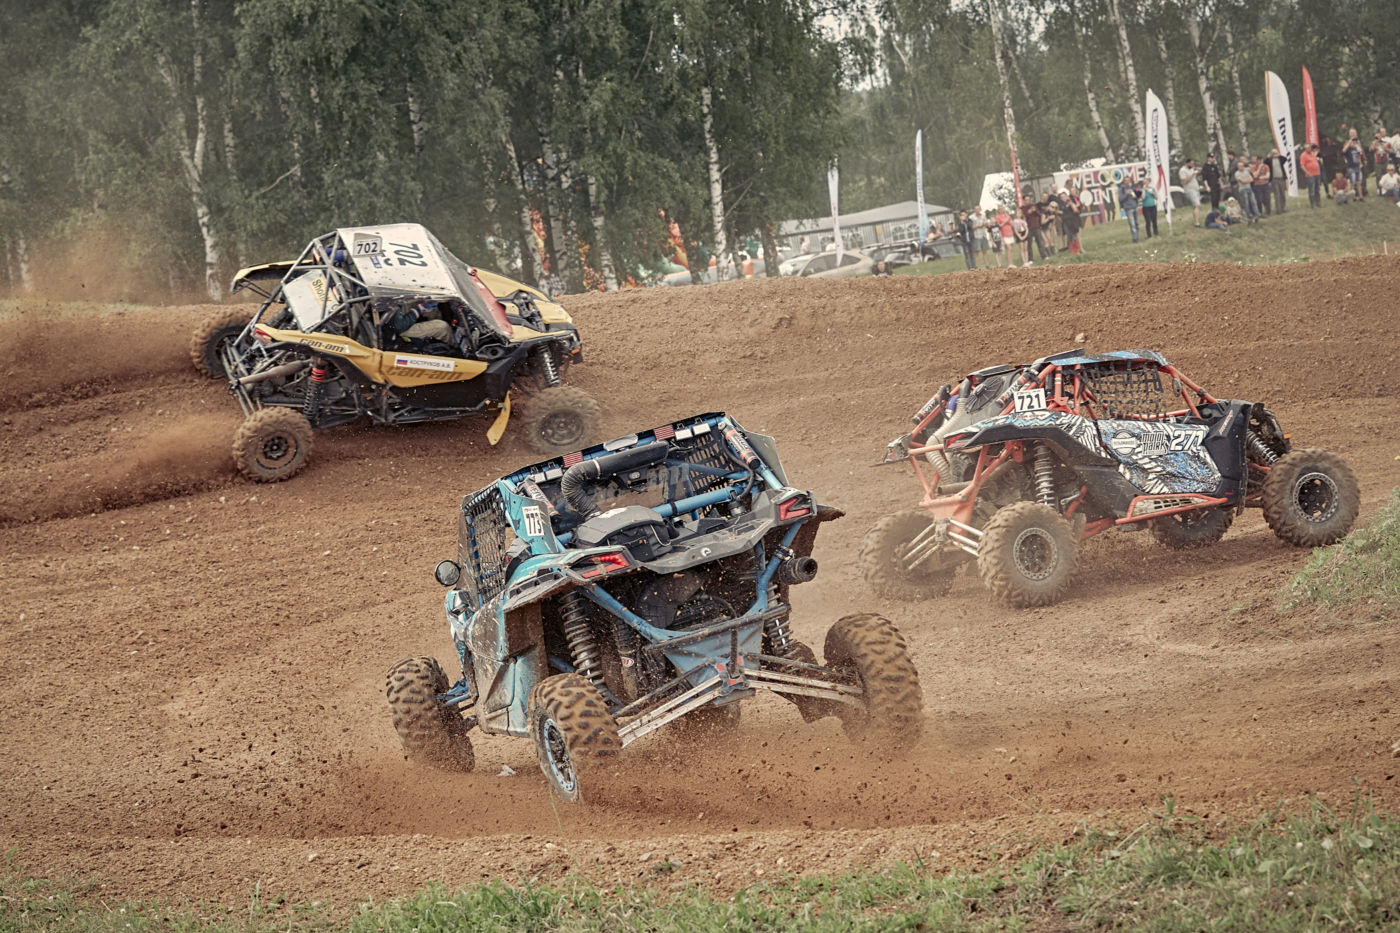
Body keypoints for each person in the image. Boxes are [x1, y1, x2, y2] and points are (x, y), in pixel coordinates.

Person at [1178, 157, 1203, 225]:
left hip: (1196, 188)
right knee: (1197, 205)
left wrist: (1197, 172)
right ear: (1187, 163)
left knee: (1195, 206)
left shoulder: (1191, 169)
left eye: (1193, 163)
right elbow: (1184, 181)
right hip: (1190, 190)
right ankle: (1197, 223)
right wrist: (1193, 174)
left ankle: (1195, 221)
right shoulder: (1182, 170)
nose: (1192, 165)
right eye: (1191, 163)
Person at [1343, 130, 1366, 197]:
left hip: (1358, 166)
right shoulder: (1348, 149)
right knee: (1352, 182)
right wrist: (1350, 141)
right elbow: (1344, 150)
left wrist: (1361, 162)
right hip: (1351, 167)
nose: (1353, 143)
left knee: (1359, 182)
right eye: (1351, 133)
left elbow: (1360, 154)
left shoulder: (1356, 147)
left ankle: (1361, 196)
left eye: (1354, 133)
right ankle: (1353, 196)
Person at [1117, 177, 1140, 242]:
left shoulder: (1132, 188)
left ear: (1130, 181)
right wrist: (1126, 194)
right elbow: (1120, 199)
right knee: (1132, 224)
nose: (1127, 182)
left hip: (1135, 207)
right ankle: (1135, 239)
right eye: (1126, 180)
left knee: (1137, 223)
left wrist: (1135, 196)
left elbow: (1137, 196)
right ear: (1124, 181)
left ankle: (1137, 236)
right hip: (1128, 208)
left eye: (1128, 180)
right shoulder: (1121, 189)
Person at [1300, 143, 1323, 208]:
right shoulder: (1303, 155)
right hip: (1310, 175)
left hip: (1317, 174)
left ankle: (1318, 203)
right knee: (1311, 189)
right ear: (1305, 149)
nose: (1308, 149)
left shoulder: (1313, 154)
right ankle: (1313, 204)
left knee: (1317, 189)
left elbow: (1316, 162)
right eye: (1307, 148)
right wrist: (1308, 173)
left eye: (1309, 148)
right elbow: (1302, 166)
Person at [1266, 148, 1288, 214]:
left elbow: (1285, 159)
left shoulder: (1280, 159)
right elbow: (1265, 162)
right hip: (1274, 179)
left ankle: (1283, 208)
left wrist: (1279, 155)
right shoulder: (1270, 160)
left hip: (1281, 178)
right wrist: (1268, 157)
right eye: (1273, 153)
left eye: (1276, 153)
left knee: (1282, 194)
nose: (1275, 154)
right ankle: (1278, 209)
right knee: (1277, 194)